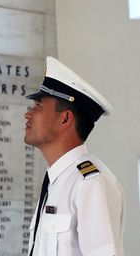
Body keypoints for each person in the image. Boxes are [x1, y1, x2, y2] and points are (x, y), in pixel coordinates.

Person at [24, 56, 125, 256]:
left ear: (65, 119)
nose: (28, 114)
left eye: (38, 106)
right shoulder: (57, 181)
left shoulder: (90, 183)